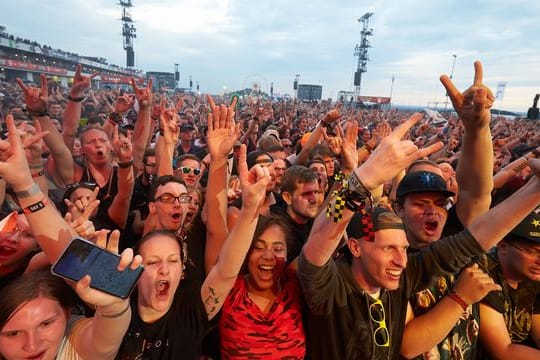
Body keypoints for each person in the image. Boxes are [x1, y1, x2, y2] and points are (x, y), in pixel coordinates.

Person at [296, 110, 540, 359]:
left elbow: (477, 237)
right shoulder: (329, 287)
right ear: (356, 248)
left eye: (403, 249)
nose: (401, 261)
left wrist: (535, 190)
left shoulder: (405, 275)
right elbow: (322, 236)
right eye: (388, 248)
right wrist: (360, 177)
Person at [478, 209, 540, 358]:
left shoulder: (531, 278)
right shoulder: (483, 276)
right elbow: (504, 351)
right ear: (503, 246)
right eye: (532, 251)